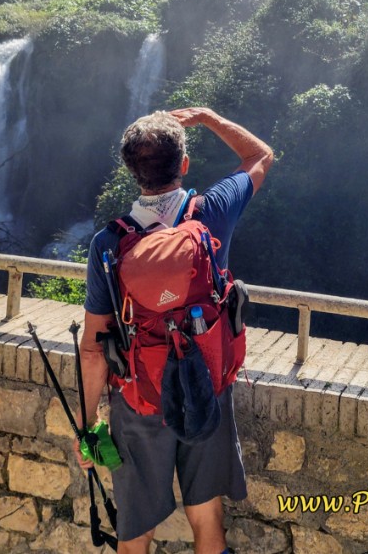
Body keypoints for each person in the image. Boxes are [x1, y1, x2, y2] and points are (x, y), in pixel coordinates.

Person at [72, 106, 273, 554]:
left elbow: (92, 348)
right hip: (206, 387)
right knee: (207, 521)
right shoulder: (212, 213)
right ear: (183, 165)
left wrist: (88, 426)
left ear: (131, 171)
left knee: (134, 534)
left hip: (139, 398)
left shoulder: (108, 244)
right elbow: (260, 156)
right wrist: (207, 118)